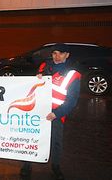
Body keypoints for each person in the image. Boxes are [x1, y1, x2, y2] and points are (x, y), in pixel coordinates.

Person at [20, 43, 81, 180]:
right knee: (30, 138)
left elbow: (72, 100)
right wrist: (37, 78)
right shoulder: (44, 67)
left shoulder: (73, 74)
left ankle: (56, 167)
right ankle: (26, 165)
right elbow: (34, 86)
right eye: (54, 53)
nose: (57, 56)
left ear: (67, 55)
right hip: (38, 112)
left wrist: (56, 114)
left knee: (56, 142)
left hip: (56, 114)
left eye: (61, 53)